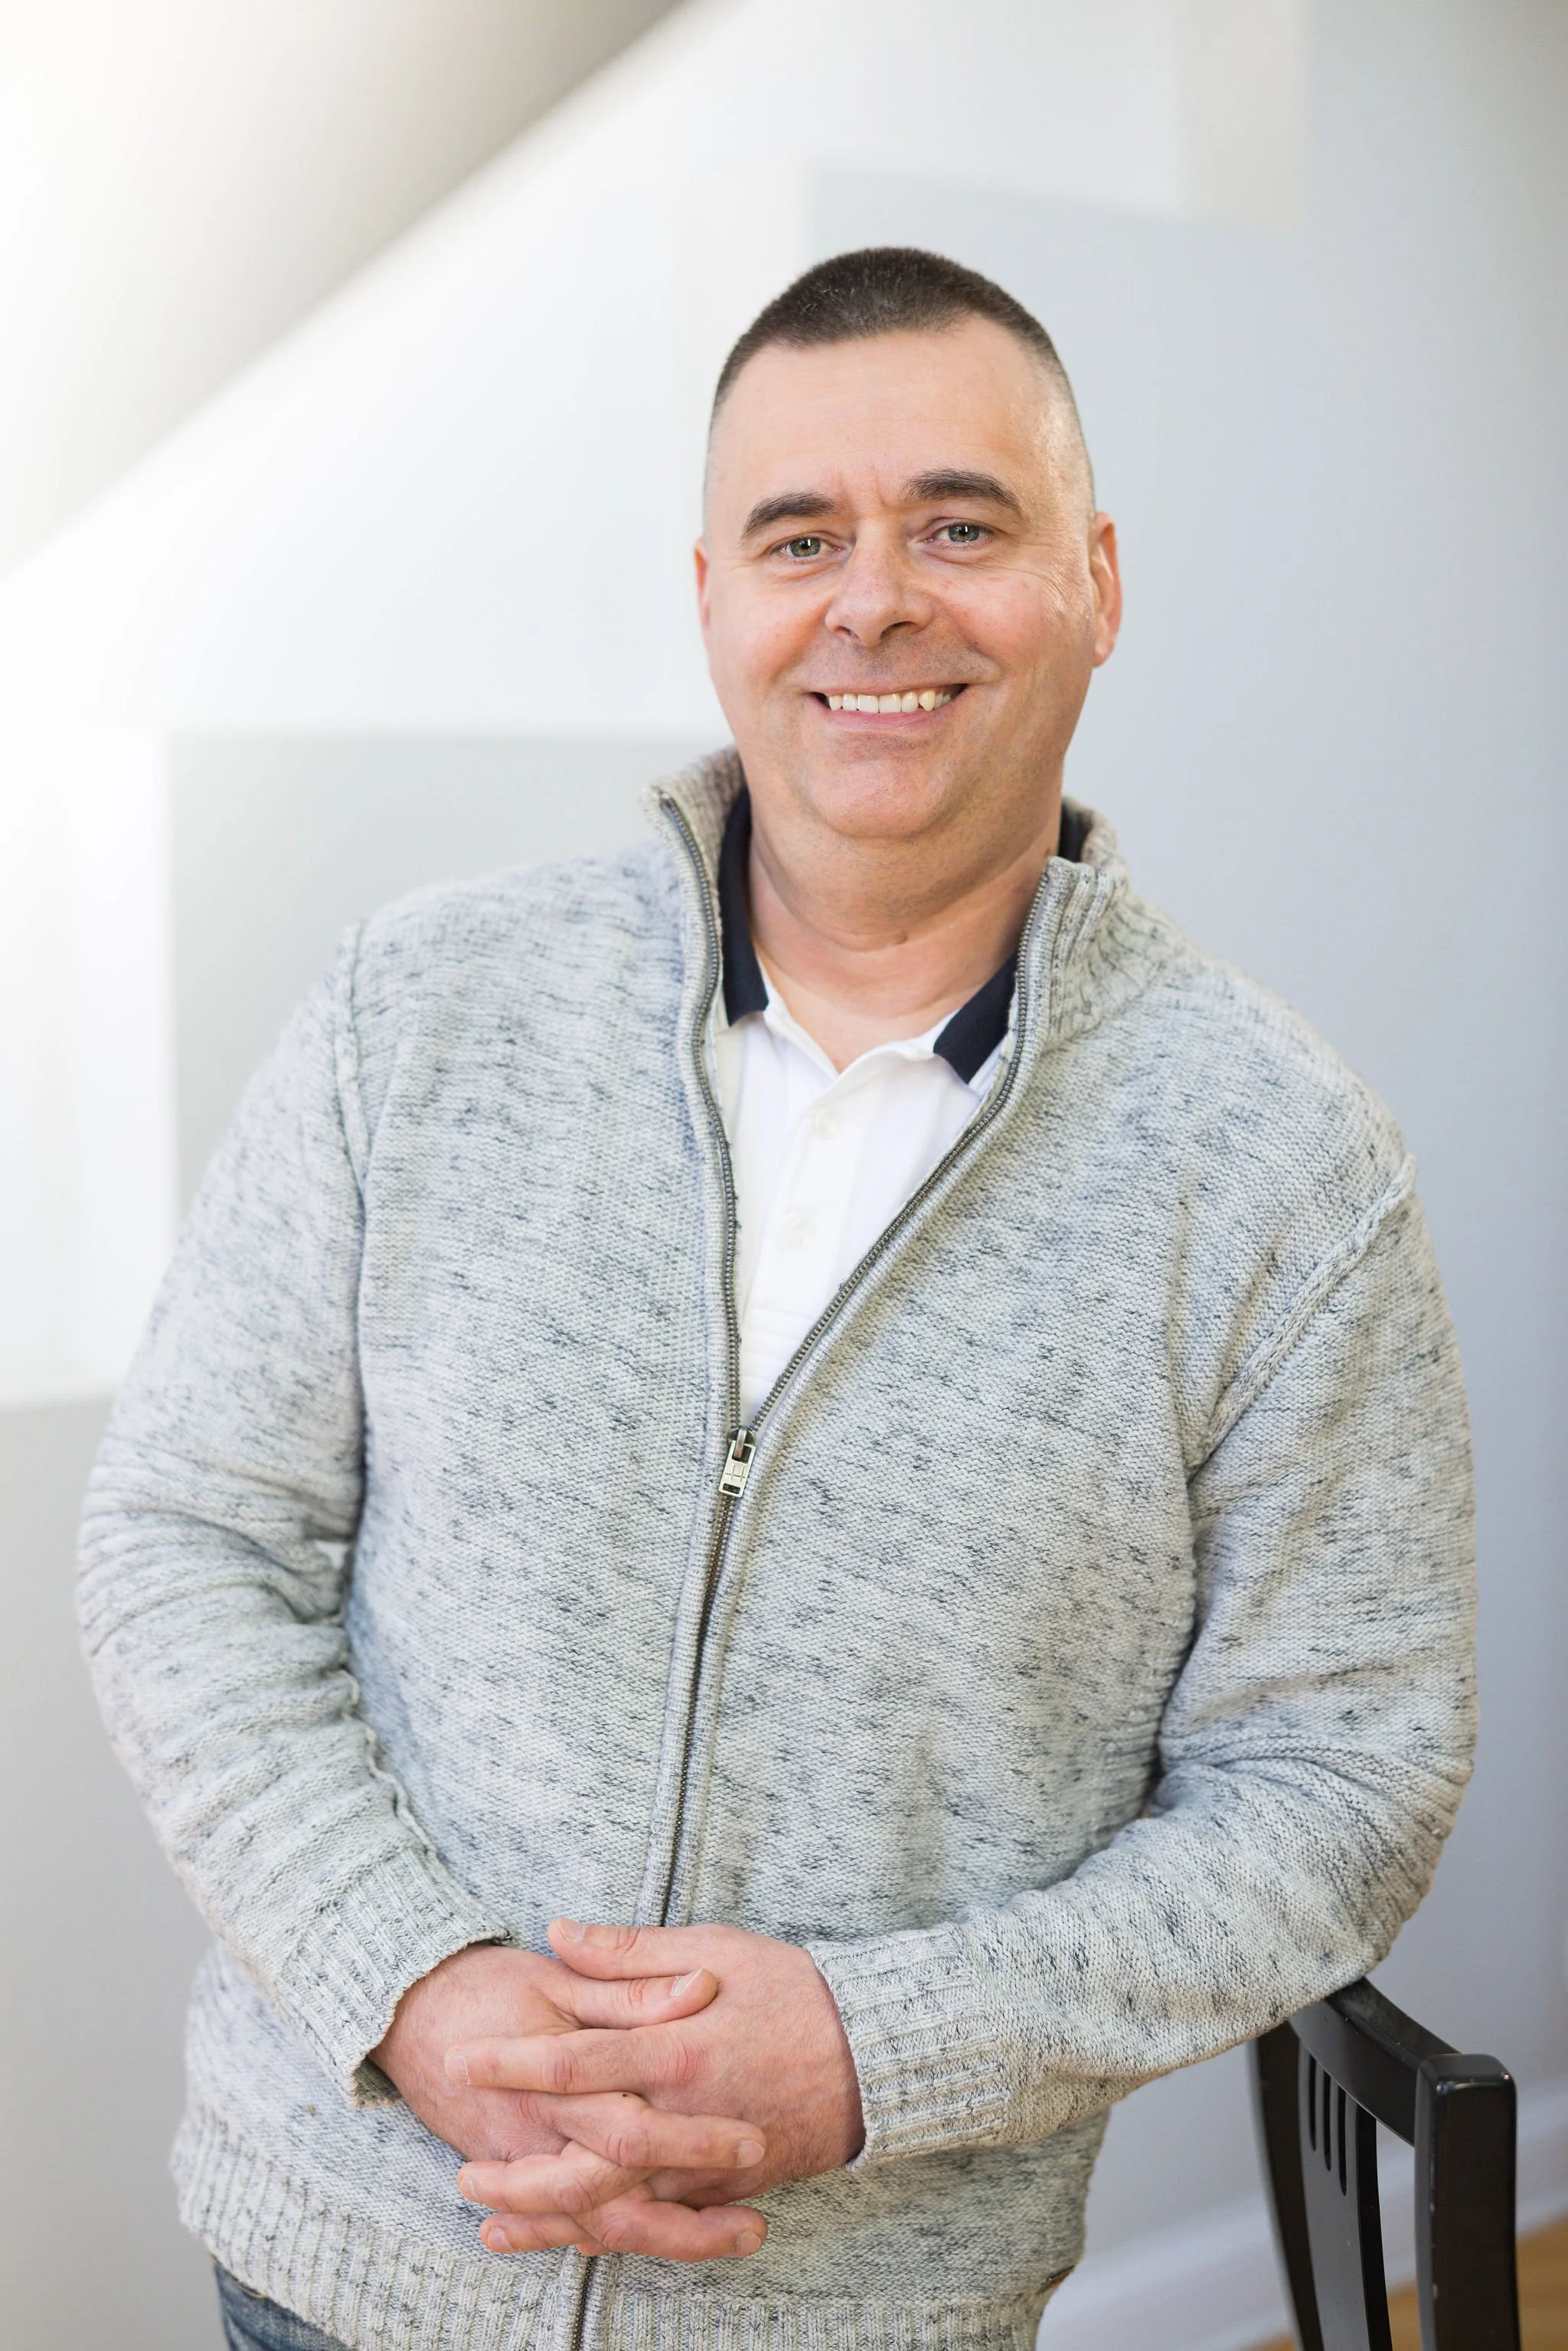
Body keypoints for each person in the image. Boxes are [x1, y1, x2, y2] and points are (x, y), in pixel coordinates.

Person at [80, 247, 1476, 2351]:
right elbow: (185, 1541)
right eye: (799, 535)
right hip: (337, 2265)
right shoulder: (416, 1013)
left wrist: (876, 2044)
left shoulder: (1289, 1170)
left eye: (961, 524)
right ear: (715, 598)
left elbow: (1344, 1778)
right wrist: (411, 1979)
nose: (875, 597)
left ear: (1098, 580)